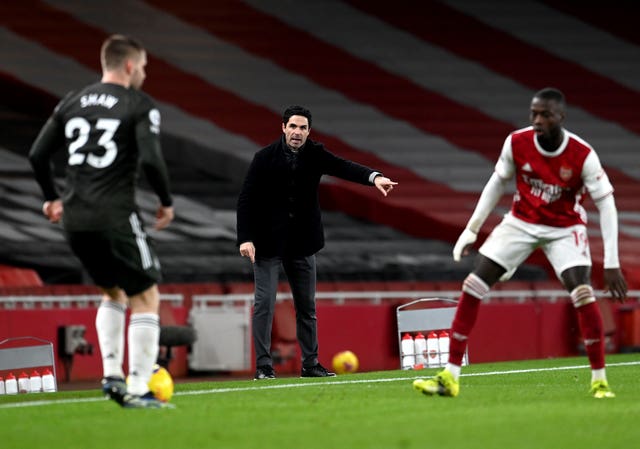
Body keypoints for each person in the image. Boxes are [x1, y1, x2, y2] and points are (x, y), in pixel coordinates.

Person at [413, 88, 628, 399]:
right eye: (534, 113)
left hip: (564, 228)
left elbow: (606, 205)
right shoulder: (517, 142)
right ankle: (450, 376)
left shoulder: (582, 155)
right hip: (521, 223)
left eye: (545, 114)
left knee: (582, 293)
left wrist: (611, 262)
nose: (537, 120)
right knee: (472, 285)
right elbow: (498, 182)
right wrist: (472, 229)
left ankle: (599, 381)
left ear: (561, 117)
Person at [29, 35, 174, 408]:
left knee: (112, 292)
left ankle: (111, 375)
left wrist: (50, 197)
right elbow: (153, 160)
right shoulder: (137, 103)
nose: (143, 73)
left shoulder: (72, 102)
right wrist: (166, 201)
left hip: (75, 219)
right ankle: (140, 387)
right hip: (114, 214)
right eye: (142, 66)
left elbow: (37, 154)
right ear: (129, 65)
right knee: (146, 296)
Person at [237, 105, 398, 380]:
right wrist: (246, 238)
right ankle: (264, 367)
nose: (297, 132)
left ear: (309, 132)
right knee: (264, 304)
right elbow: (246, 199)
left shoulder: (315, 154)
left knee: (307, 308)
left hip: (302, 244)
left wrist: (375, 177)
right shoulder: (263, 158)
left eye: (303, 128)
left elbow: (344, 167)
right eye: (293, 127)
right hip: (268, 243)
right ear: (283, 128)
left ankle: (310, 364)